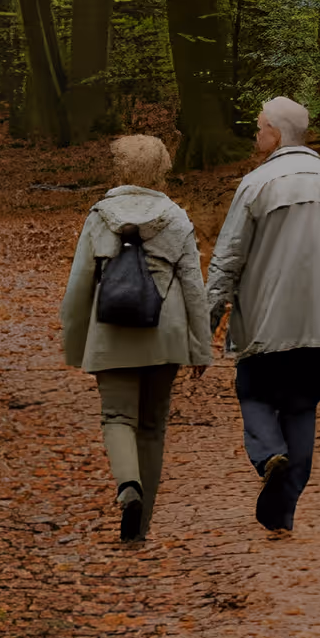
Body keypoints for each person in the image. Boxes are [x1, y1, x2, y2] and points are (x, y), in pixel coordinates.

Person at [206, 97, 320, 533]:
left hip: (262, 317)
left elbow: (227, 258)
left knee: (255, 393)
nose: (255, 134)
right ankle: (283, 509)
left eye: (259, 127)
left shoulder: (256, 183)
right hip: (316, 322)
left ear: (275, 134)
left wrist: (206, 318)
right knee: (301, 405)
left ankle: (268, 456)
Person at [61, 135, 212, 542]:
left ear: (120, 168)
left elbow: (79, 284)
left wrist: (77, 343)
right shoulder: (176, 217)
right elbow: (195, 287)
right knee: (152, 427)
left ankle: (128, 487)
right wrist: (201, 347)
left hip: (111, 331)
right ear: (161, 169)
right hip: (167, 335)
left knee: (117, 418)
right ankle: (140, 529)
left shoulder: (100, 216)